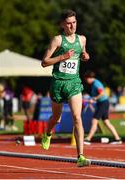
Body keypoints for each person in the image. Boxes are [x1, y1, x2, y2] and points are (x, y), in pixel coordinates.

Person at [41, 9, 90, 167]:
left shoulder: (82, 39)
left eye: (74, 22)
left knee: (77, 117)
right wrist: (62, 57)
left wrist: (85, 55)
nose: (72, 26)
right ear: (62, 24)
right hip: (58, 83)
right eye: (68, 23)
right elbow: (44, 62)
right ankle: (48, 133)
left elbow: (83, 53)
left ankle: (80, 156)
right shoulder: (58, 40)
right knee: (56, 118)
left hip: (74, 83)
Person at [83, 71, 122, 145]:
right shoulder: (94, 84)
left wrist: (94, 99)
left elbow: (101, 93)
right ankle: (117, 138)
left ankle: (88, 139)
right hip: (103, 103)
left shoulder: (96, 84)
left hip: (103, 103)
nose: (86, 81)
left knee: (94, 121)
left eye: (86, 79)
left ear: (89, 78)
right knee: (106, 122)